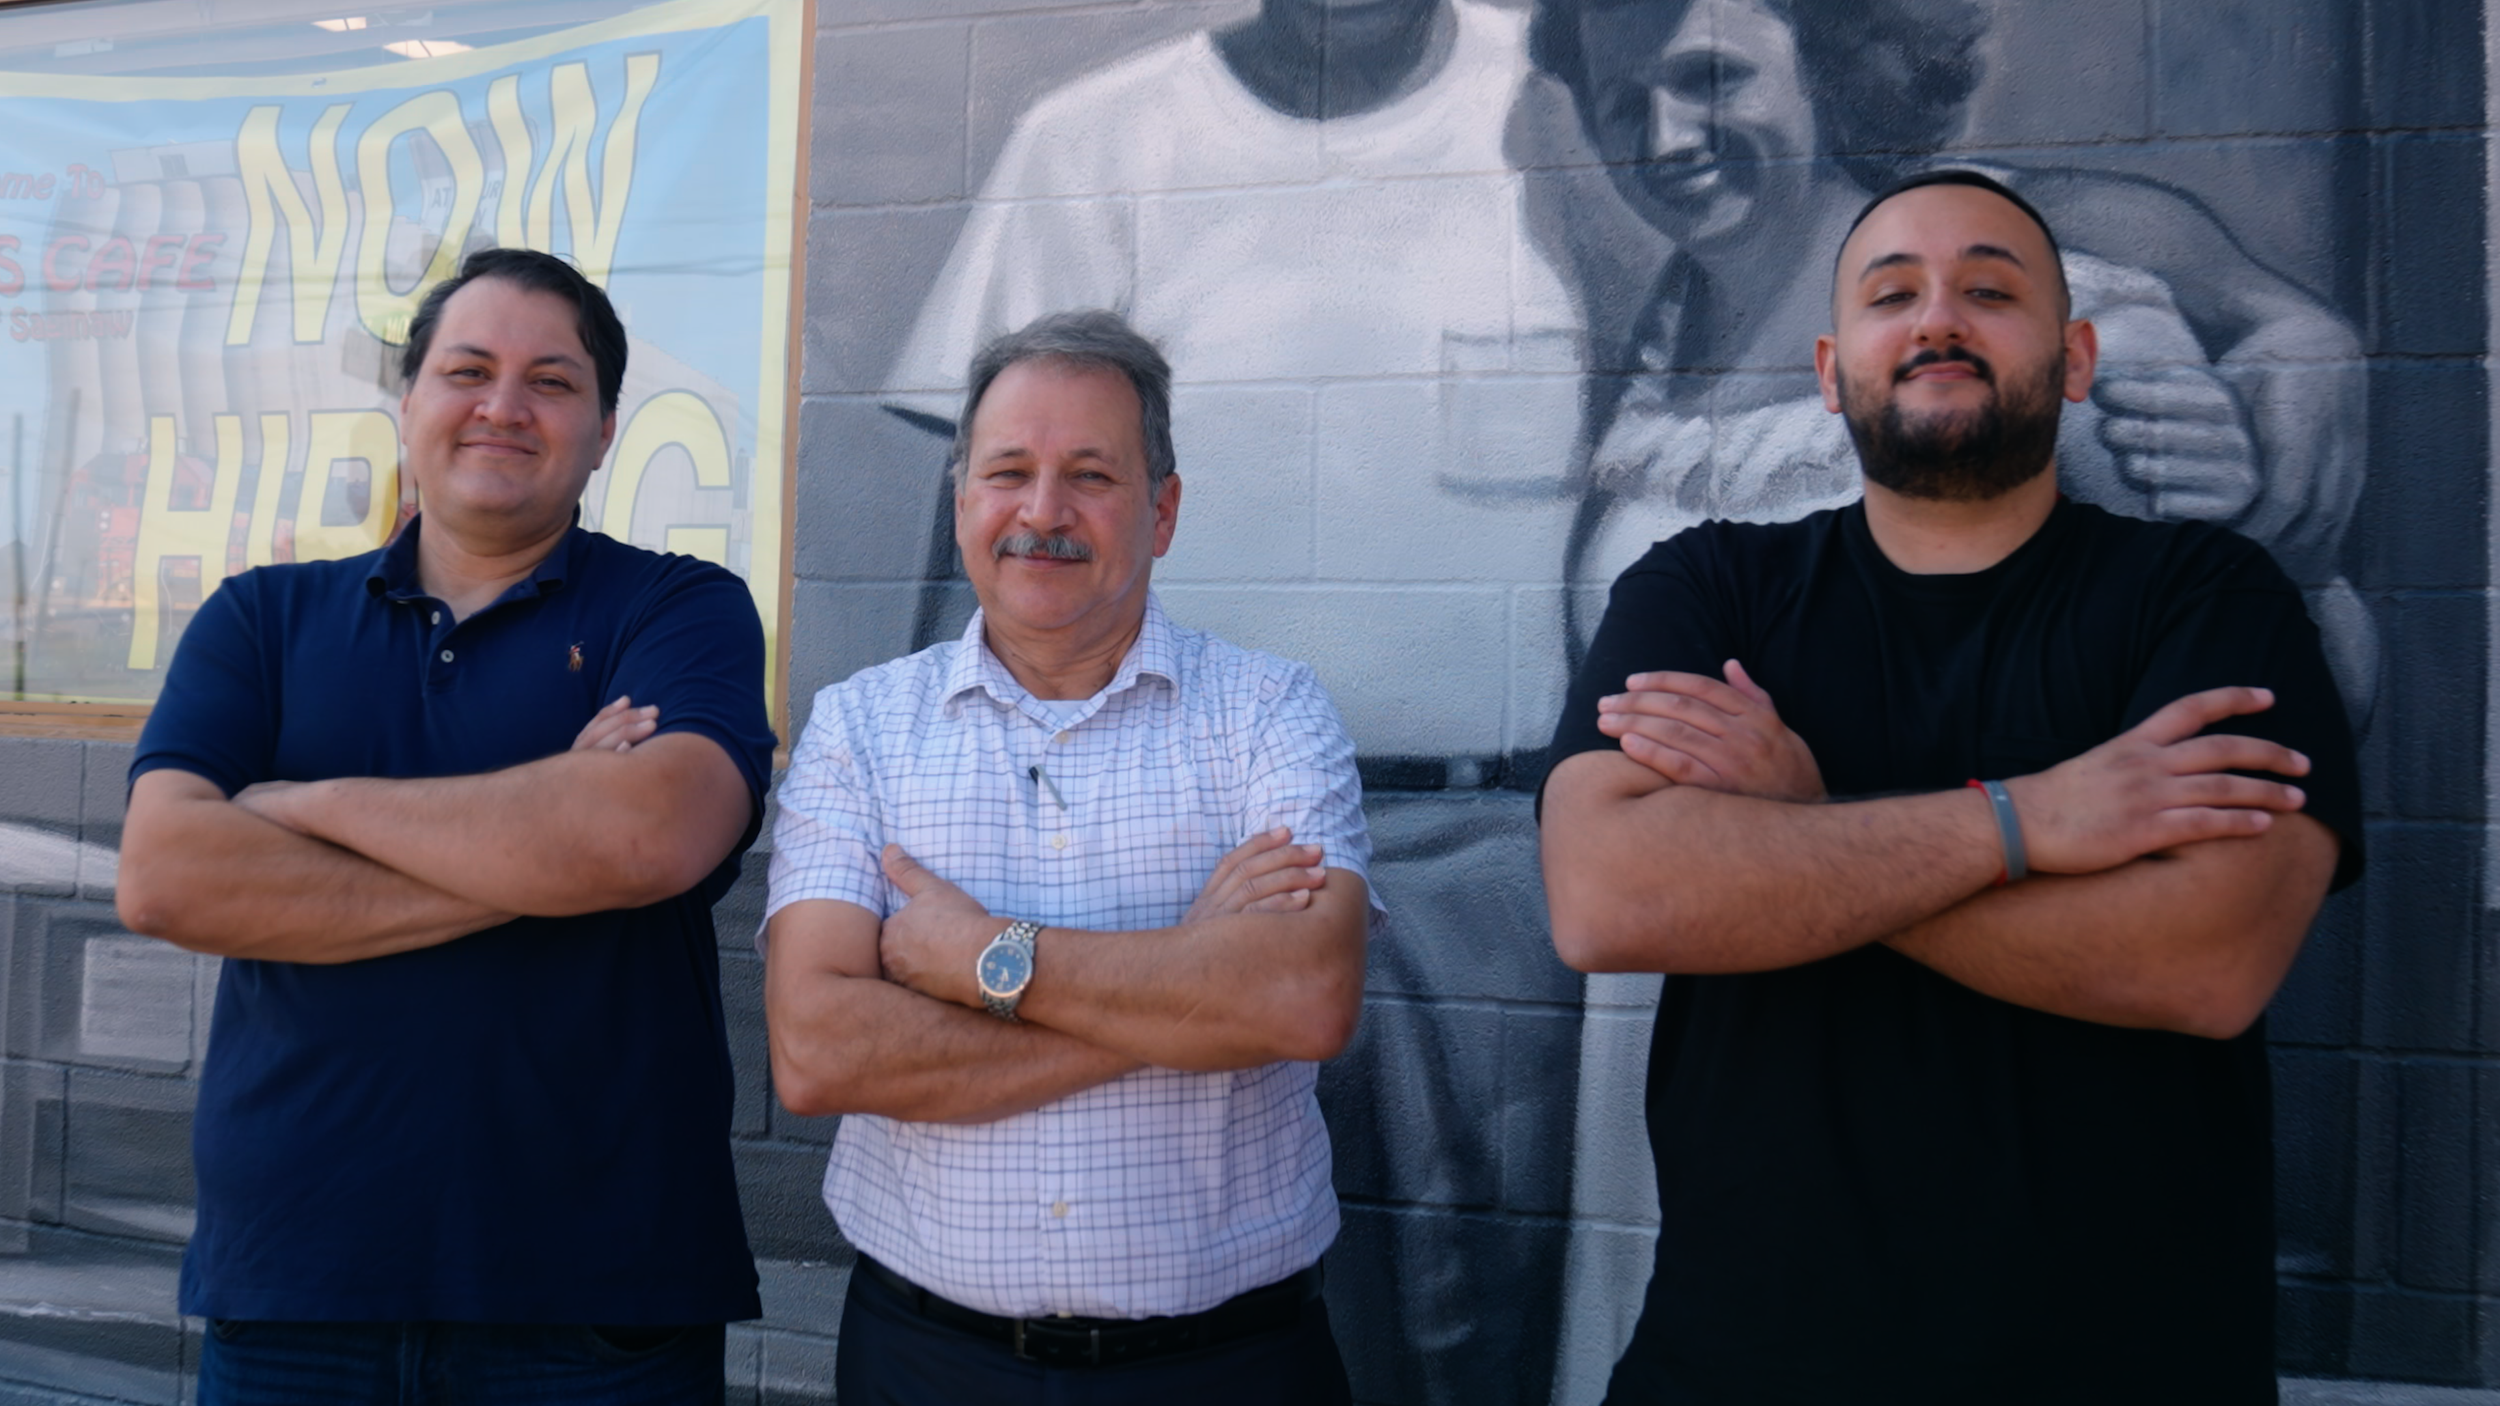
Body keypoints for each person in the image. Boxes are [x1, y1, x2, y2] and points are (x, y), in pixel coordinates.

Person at [1538, 172, 2362, 1404]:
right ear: (1829, 372)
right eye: (1892, 295)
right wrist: (2029, 821)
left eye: (1990, 289)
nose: (1938, 320)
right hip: (1743, 1366)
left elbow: (2200, 960)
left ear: (2075, 357)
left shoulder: (2207, 599)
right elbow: (1609, 898)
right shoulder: (1703, 589)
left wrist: (1803, 828)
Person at [116, 247, 776, 1403]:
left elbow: (648, 839)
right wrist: (547, 833)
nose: (503, 406)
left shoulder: (677, 607)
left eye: (552, 381)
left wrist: (303, 807)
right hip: (298, 1292)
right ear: (410, 400)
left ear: (607, 427)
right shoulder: (262, 618)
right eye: (466, 369)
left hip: (595, 1301)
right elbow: (170, 877)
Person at [765, 310, 1377, 1403]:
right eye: (1008, 471)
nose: (1041, 511)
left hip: (1227, 1369)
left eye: (1090, 474)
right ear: (961, 501)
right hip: (925, 1364)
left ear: (1164, 509)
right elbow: (818, 1052)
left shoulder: (1270, 713)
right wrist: (1188, 971)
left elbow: (1302, 997)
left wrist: (985, 959)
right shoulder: (859, 727)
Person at [1527, 0, 2377, 726]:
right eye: (1621, 102)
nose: (1665, 139)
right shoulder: (1662, 340)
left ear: (1829, 61)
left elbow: (2275, 704)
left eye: (1712, 77)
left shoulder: (2036, 334)